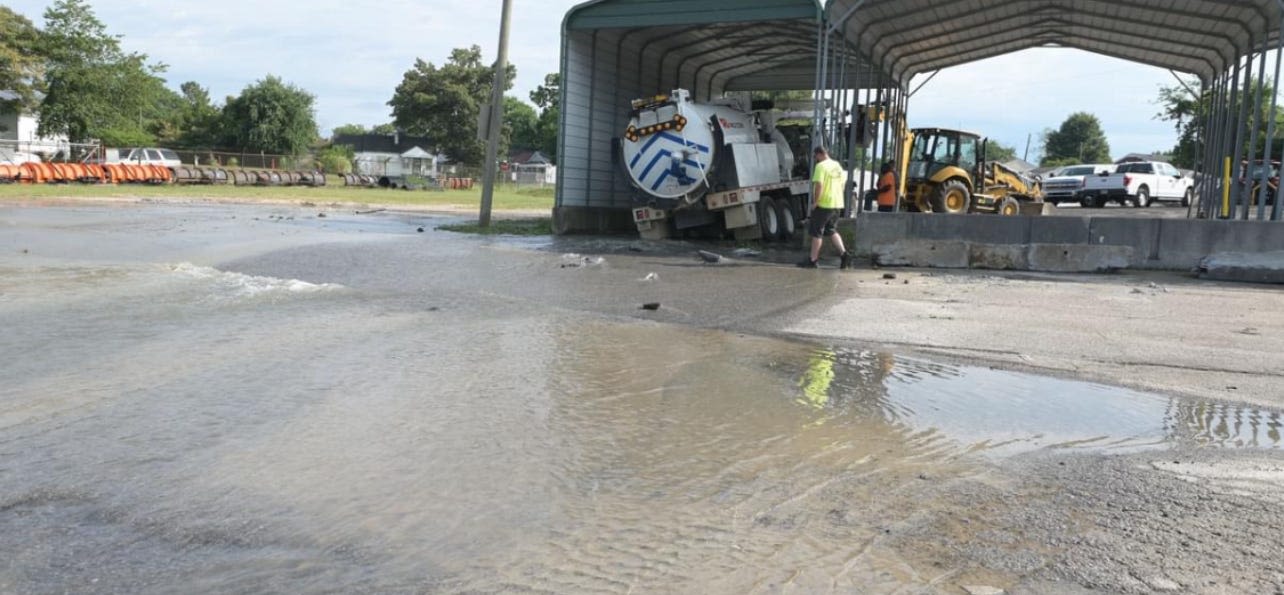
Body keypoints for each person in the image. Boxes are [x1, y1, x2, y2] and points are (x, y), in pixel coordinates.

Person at [798, 146, 851, 269]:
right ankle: (844, 255)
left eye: (815, 156)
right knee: (831, 230)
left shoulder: (820, 166)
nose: (816, 159)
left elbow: (819, 185)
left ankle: (813, 260)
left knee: (817, 232)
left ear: (819, 154)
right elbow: (842, 184)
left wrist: (816, 202)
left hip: (824, 204)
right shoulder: (837, 166)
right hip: (837, 204)